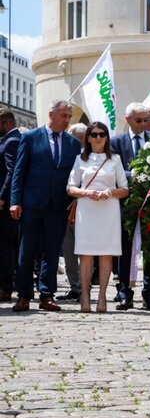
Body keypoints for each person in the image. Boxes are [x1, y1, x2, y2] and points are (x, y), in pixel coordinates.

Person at [10, 99, 82, 312]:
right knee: (26, 251)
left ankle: (46, 295)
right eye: (64, 116)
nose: (67, 120)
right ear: (51, 115)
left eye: (69, 116)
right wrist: (15, 201)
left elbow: (75, 175)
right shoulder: (30, 138)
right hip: (31, 204)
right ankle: (23, 295)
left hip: (58, 205)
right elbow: (19, 171)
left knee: (51, 252)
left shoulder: (72, 143)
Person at [66, 121, 129, 312]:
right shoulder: (80, 160)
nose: (98, 138)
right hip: (87, 209)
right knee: (85, 254)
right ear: (88, 138)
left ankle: (102, 297)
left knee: (105, 254)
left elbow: (125, 188)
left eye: (102, 134)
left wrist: (110, 193)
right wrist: (87, 193)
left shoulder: (115, 160)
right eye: (94, 134)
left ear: (107, 137)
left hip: (108, 209)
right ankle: (85, 296)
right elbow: (70, 187)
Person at [111, 102, 150, 311]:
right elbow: (114, 171)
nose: (143, 124)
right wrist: (135, 175)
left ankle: (149, 292)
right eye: (138, 120)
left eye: (145, 120)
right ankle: (124, 293)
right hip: (125, 204)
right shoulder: (116, 143)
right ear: (128, 120)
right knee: (125, 249)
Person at [58, 122, 88, 303]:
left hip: (83, 209)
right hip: (64, 209)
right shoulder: (67, 153)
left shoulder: (88, 157)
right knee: (68, 250)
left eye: (72, 134)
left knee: (85, 250)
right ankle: (75, 287)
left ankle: (84, 287)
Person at [0, 108, 21, 302]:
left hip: (5, 205)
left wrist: (2, 197)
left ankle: (5, 287)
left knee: (4, 245)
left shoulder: (12, 141)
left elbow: (11, 171)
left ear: (6, 123)